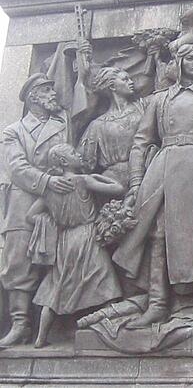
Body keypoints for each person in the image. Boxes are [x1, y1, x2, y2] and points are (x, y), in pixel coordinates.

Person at [111, 44, 193, 328]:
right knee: (157, 232)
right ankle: (157, 302)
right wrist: (135, 183)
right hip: (164, 167)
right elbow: (141, 142)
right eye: (189, 58)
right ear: (177, 63)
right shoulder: (159, 100)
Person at [26, 144, 124, 348]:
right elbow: (118, 188)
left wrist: (52, 222)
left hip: (64, 241)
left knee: (57, 287)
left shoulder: (49, 189)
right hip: (88, 238)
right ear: (63, 162)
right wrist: (95, 176)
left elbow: (31, 216)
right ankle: (116, 325)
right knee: (104, 279)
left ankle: (41, 337)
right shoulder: (83, 181)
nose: (77, 154)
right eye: (72, 153)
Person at [0, 74, 72, 347]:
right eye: (46, 90)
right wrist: (47, 180)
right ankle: (20, 324)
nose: (53, 93)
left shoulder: (61, 124)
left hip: (58, 200)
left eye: (52, 88)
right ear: (33, 97)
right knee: (18, 262)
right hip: (23, 201)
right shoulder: (13, 131)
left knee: (59, 260)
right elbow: (17, 168)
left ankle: (57, 326)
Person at [78, 67, 147, 191]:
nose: (131, 82)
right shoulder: (97, 125)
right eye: (125, 80)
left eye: (130, 79)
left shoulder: (143, 107)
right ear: (112, 87)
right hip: (113, 182)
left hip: (146, 173)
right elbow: (84, 164)